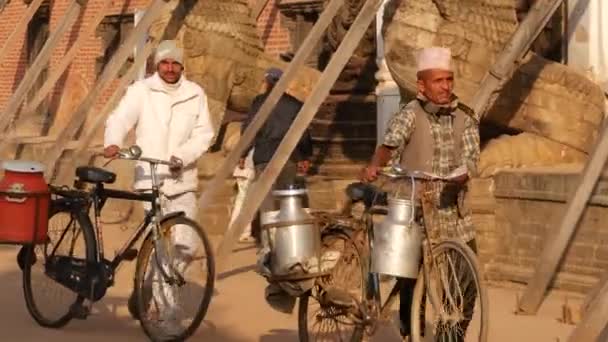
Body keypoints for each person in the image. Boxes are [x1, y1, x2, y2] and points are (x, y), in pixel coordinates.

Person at [361, 47, 480, 341]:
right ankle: (408, 330)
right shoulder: (409, 115)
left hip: (454, 212)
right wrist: (375, 166)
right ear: (422, 85)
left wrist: (465, 172)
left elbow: (472, 157)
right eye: (438, 81)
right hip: (415, 209)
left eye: (449, 79)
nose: (446, 86)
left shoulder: (465, 117)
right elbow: (389, 145)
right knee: (411, 279)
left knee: (467, 282)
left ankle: (449, 337)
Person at [103, 40, 215, 330]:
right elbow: (120, 117)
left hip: (182, 178)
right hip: (150, 180)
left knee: (186, 247)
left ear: (181, 66)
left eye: (174, 63)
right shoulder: (142, 91)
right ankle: (168, 313)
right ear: (156, 64)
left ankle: (152, 291)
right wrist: (113, 141)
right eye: (164, 63)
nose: (169, 68)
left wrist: (185, 155)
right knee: (163, 248)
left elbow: (205, 134)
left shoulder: (195, 94)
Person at [239, 67, 313, 216]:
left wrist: (242, 153)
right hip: (288, 157)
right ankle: (287, 234)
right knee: (287, 198)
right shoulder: (294, 104)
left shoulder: (258, 103)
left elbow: (250, 129)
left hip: (264, 156)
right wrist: (305, 156)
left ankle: (271, 236)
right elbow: (302, 132)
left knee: (267, 201)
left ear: (266, 82)